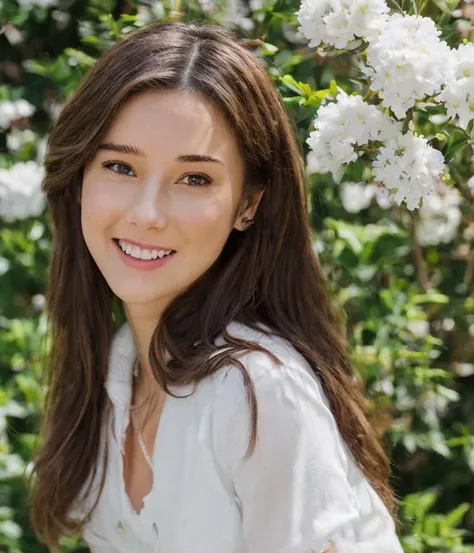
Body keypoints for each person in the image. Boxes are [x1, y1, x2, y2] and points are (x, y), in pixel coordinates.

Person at [28, 19, 405, 553]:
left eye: (195, 178)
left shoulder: (256, 392)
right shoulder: (117, 366)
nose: (148, 213)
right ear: (79, 176)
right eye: (120, 166)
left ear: (249, 204)